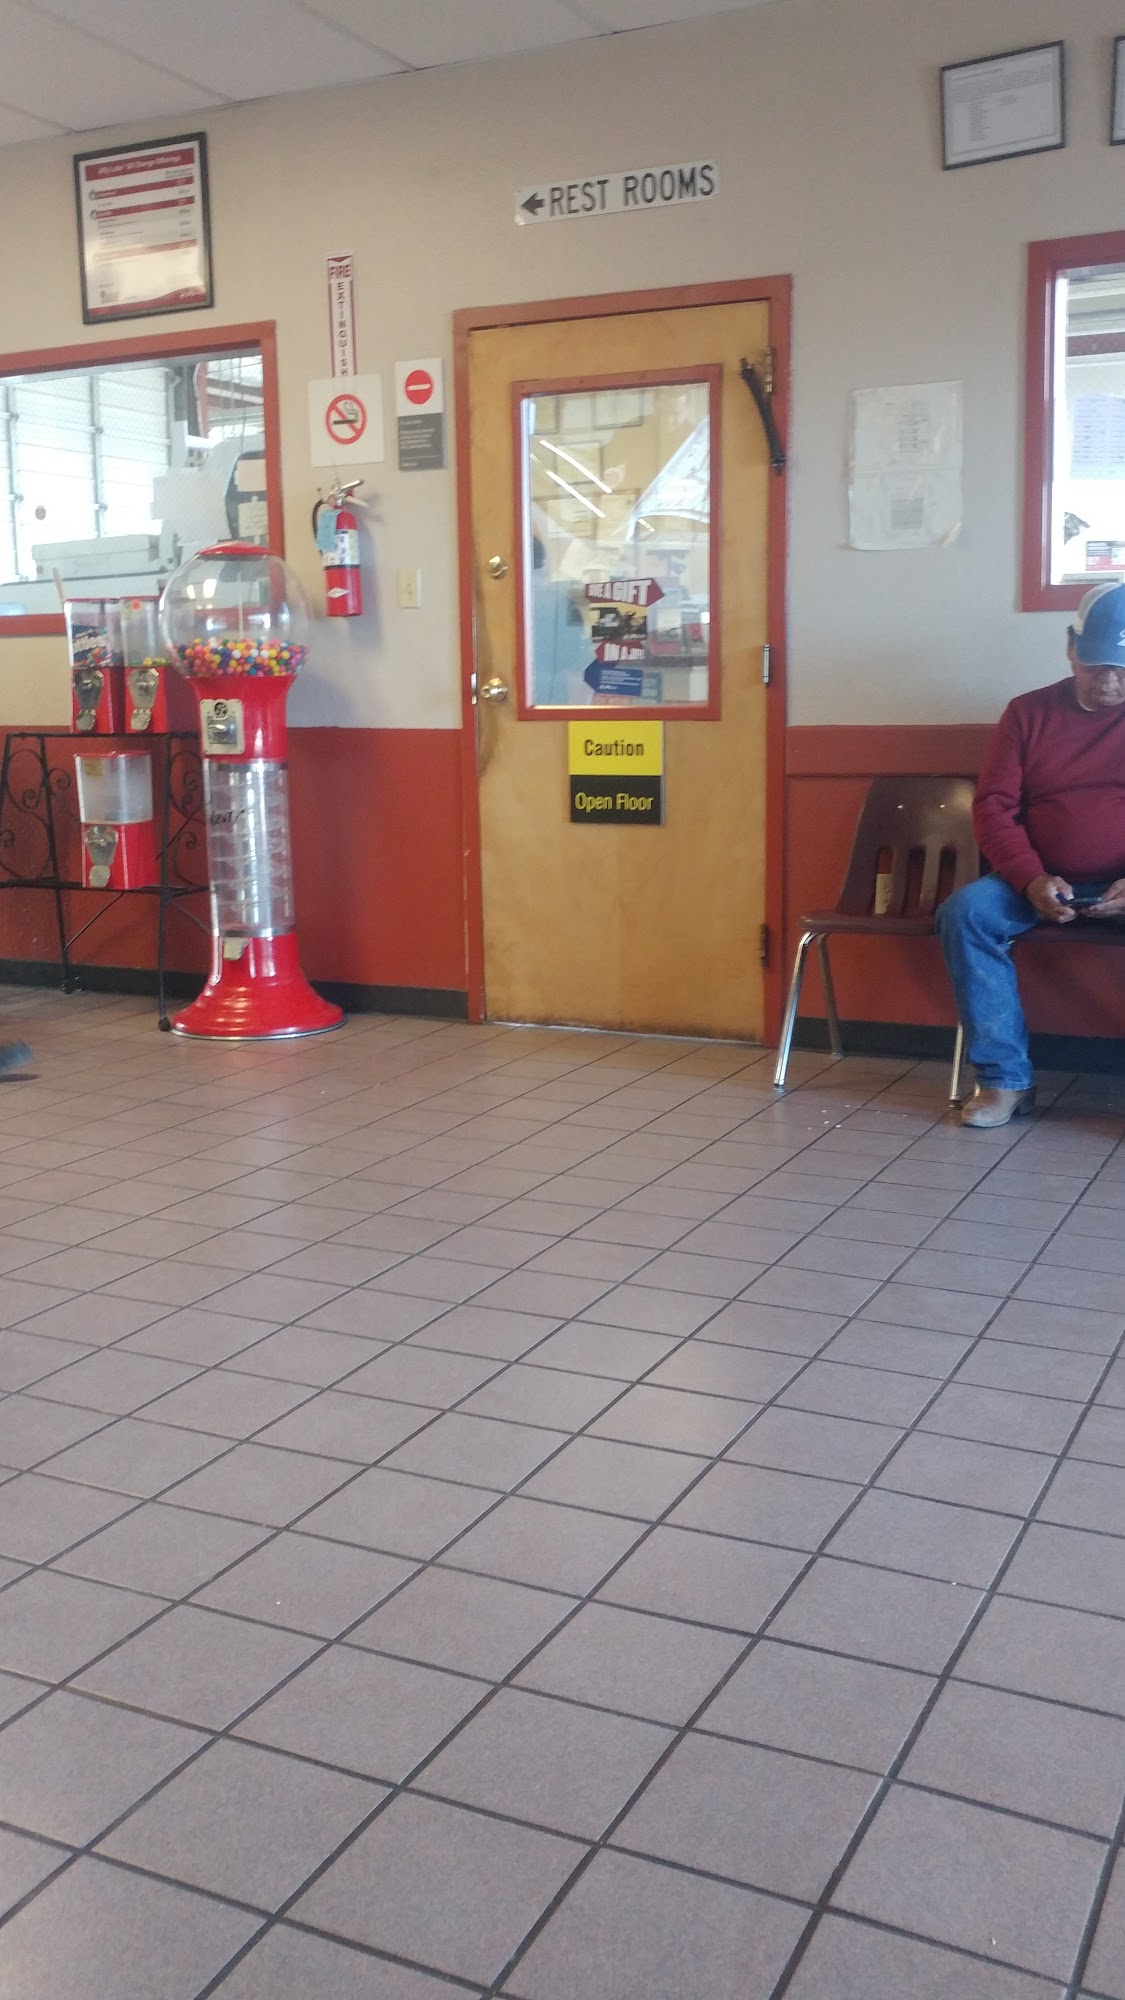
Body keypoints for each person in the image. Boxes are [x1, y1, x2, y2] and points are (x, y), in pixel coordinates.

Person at [936, 578, 1125, 1128]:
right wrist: (1030, 879)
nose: (1110, 681)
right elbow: (993, 807)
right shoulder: (1027, 713)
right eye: (1096, 665)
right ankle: (1005, 1080)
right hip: (1038, 880)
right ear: (1070, 648)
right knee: (966, 913)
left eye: (1122, 669)